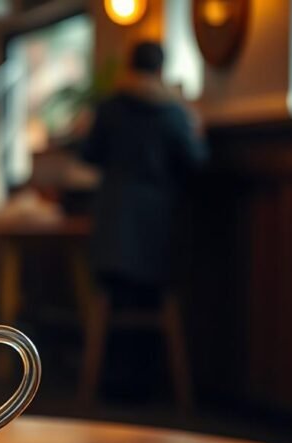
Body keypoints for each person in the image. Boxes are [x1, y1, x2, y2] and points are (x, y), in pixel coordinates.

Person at [81, 41, 208, 307]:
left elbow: (88, 154)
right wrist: (197, 130)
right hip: (158, 237)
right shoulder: (173, 112)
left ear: (130, 66)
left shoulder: (110, 108)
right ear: (161, 69)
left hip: (112, 236)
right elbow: (196, 161)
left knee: (104, 296)